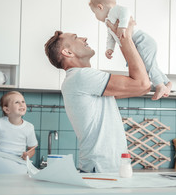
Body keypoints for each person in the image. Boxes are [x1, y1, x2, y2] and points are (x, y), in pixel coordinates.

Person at [44, 18, 150, 173]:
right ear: (67, 52)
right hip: (101, 170)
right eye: (75, 38)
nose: (84, 38)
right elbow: (143, 84)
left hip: (103, 168)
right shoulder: (82, 76)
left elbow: (141, 88)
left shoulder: (80, 80)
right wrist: (124, 37)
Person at [89, 0, 172, 100]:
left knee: (148, 64)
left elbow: (126, 11)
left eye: (95, 13)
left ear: (100, 7)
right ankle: (166, 83)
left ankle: (160, 85)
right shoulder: (108, 21)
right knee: (150, 65)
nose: (96, 16)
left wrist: (123, 27)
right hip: (138, 44)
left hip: (142, 40)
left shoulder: (114, 11)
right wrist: (110, 48)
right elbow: (111, 37)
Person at [0, 91, 38, 160]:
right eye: (17, 102)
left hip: (17, 162)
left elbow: (32, 149)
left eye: (23, 101)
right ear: (7, 109)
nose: (21, 104)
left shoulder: (29, 127)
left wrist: (27, 155)